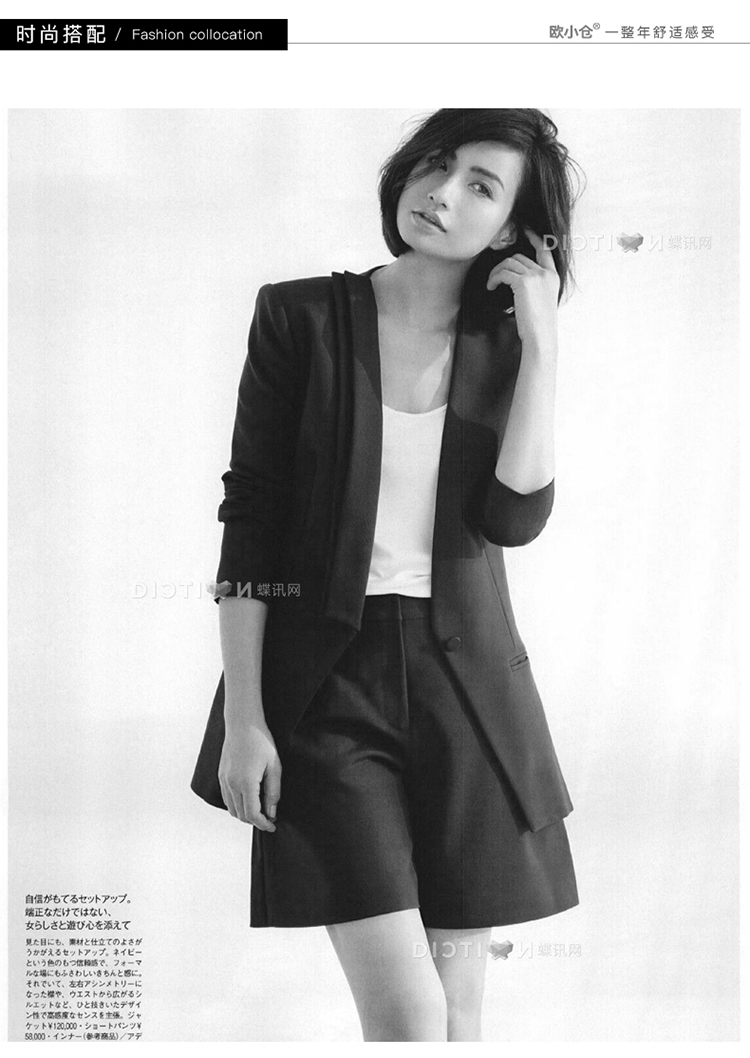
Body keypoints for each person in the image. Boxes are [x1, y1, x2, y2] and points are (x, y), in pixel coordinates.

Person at [191, 108, 585, 1042]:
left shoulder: (506, 345)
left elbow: (514, 520)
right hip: (327, 688)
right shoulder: (300, 317)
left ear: (516, 231)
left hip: (471, 694)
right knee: (409, 1015)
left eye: (481, 187)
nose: (441, 194)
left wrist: (543, 346)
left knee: (458, 1013)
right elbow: (252, 521)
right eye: (436, 165)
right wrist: (246, 718)